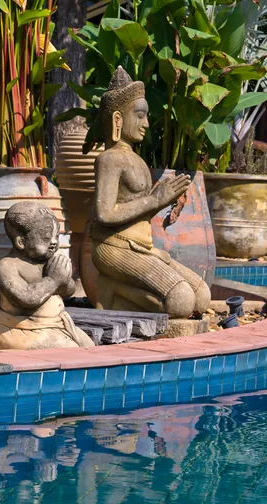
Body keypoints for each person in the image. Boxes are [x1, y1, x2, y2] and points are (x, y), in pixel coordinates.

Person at [91, 66, 211, 317]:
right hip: (114, 246)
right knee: (181, 300)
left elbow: (140, 208)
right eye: (140, 115)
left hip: (142, 246)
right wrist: (154, 198)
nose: (146, 123)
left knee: (201, 294)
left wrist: (162, 200)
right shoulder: (109, 159)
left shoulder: (136, 159)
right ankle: (116, 290)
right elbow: (105, 214)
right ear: (117, 119)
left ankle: (125, 293)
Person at [0, 201, 94, 350]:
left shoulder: (48, 262)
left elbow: (68, 291)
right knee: (72, 352)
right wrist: (53, 279)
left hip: (54, 326)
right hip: (21, 332)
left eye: (56, 236)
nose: (53, 242)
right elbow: (26, 299)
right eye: (45, 238)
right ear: (21, 241)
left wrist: (63, 278)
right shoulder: (7, 266)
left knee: (91, 346)